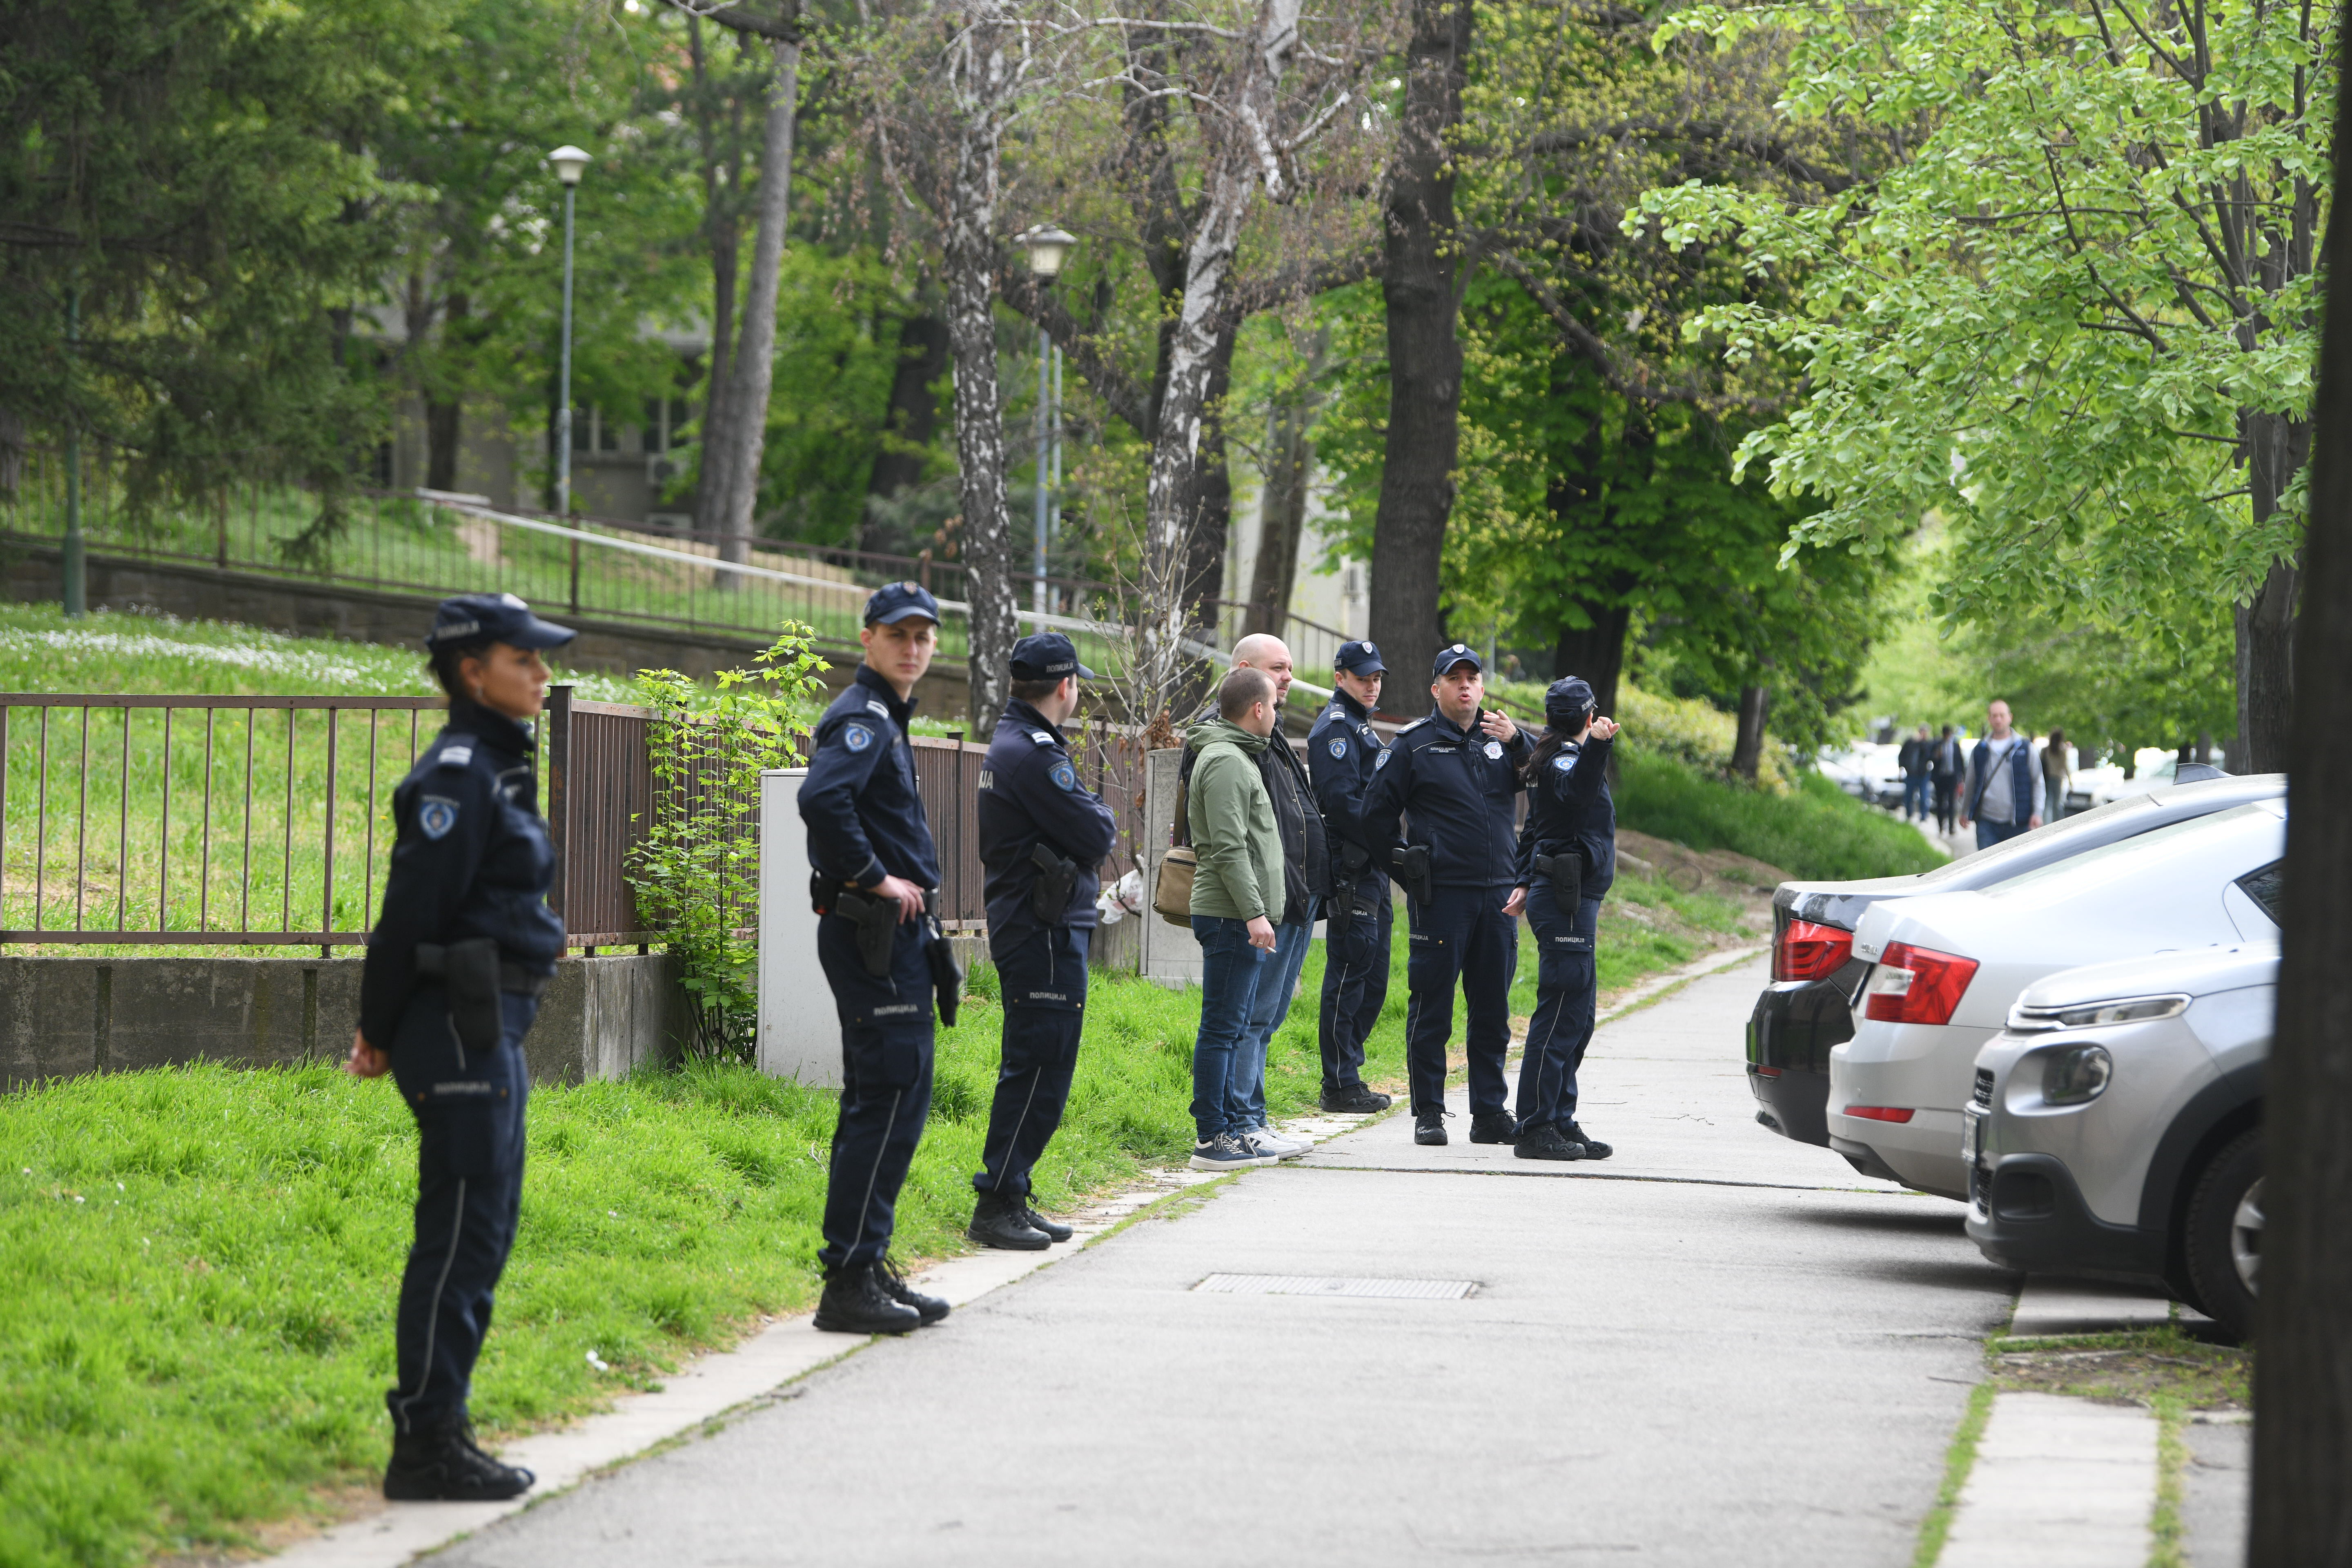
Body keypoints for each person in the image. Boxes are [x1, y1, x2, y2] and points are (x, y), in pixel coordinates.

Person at [344, 592, 576, 1502]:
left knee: (485, 1230)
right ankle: (426, 1444)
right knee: (460, 1236)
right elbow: (409, 915)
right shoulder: (458, 775)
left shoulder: (497, 765)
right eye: (526, 659)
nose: (543, 673)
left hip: (490, 1020)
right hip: (455, 1022)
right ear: (473, 673)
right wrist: (377, 1028)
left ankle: (444, 1428)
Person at [799, 582, 956, 1335]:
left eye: (923, 636)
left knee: (896, 1097)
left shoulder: (886, 716)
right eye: (898, 635)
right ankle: (849, 1280)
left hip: (893, 936)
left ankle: (867, 1263)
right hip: (872, 930)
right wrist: (875, 876)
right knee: (885, 1098)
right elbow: (821, 801)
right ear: (867, 638)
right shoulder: (862, 717)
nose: (912, 647)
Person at [967, 633, 1119, 1250]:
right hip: (1042, 929)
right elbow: (1097, 834)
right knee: (1038, 1067)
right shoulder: (1033, 755)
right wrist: (1096, 813)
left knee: (1043, 1065)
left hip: (1042, 925)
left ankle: (1013, 1191)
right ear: (1065, 685)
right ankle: (997, 1201)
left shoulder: (1022, 743)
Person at [1349, 643, 1530, 1147]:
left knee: (1492, 1011)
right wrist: (1408, 871)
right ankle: (1428, 1111)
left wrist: (1518, 740)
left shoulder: (1501, 741)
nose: (1465, 686)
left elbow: (1549, 774)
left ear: (1483, 688)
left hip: (1497, 898)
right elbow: (1374, 817)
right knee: (1433, 1007)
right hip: (1443, 898)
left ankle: (1489, 1113)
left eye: (1472, 678)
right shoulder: (1414, 745)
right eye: (1454, 678)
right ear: (1436, 688)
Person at [1218, 633, 1328, 1159]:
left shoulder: (1272, 730)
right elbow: (1236, 836)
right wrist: (1258, 906)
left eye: (1289, 668)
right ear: (1246, 669)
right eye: (1278, 668)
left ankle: (1255, 1118)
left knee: (1269, 1017)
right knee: (1251, 1017)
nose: (1289, 677)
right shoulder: (1234, 739)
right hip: (1266, 903)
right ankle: (1242, 1122)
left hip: (1297, 898)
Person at [1504, 679, 1621, 1161]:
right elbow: (1574, 797)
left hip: (1571, 897)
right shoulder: (1566, 759)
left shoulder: (1551, 754)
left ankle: (1559, 1117)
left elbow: (1536, 826)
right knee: (1559, 1015)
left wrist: (1523, 878)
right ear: (1589, 718)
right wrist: (1598, 748)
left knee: (1579, 1018)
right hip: (1565, 900)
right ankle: (1535, 1127)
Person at [1183, 666, 1287, 1171]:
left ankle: (1230, 1130)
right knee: (1222, 1028)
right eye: (1275, 705)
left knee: (1233, 1025)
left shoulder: (1238, 755)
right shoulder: (1226, 760)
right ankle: (1211, 1139)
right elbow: (1228, 847)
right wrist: (1254, 914)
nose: (1278, 713)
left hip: (1236, 915)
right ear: (1258, 708)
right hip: (1229, 915)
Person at [1305, 639, 1394, 1115]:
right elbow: (1342, 804)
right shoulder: (1337, 728)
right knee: (1349, 972)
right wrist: (1390, 845)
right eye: (1363, 678)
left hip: (1374, 867)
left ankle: (1349, 1073)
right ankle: (1339, 1083)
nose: (1372, 685)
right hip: (1354, 868)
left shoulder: (1360, 725)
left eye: (1377, 678)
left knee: (1374, 977)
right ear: (1340, 678)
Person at [1959, 699, 2042, 850]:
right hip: (1987, 822)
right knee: (1987, 863)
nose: (1998, 720)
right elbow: (1971, 782)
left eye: (2002, 715)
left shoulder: (2025, 748)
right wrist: (1965, 811)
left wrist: (2037, 813)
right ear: (1989, 719)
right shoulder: (1980, 750)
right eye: (1994, 716)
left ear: (2010, 717)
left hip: (2019, 822)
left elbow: (2038, 782)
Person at [1931, 724, 1964, 834]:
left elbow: (1960, 761)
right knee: (1940, 803)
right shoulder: (1937, 745)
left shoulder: (1955, 745)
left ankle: (1951, 827)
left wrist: (1961, 777)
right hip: (1940, 778)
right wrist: (1937, 756)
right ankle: (1941, 827)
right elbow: (1931, 758)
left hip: (1952, 778)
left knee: (1951, 802)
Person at [1898, 724, 1933, 821]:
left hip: (1923, 775)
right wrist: (1902, 767)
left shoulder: (1927, 744)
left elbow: (1929, 756)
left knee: (1924, 796)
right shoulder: (1910, 742)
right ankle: (1909, 814)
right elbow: (1902, 755)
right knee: (1909, 796)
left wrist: (1922, 743)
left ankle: (1923, 816)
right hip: (1911, 774)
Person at [2042, 728, 2072, 824]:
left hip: (2047, 779)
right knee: (2057, 804)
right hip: (2057, 779)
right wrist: (2070, 781)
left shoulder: (2046, 751)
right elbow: (2065, 767)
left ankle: (2046, 824)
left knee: (2047, 803)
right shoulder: (2062, 752)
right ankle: (2057, 825)